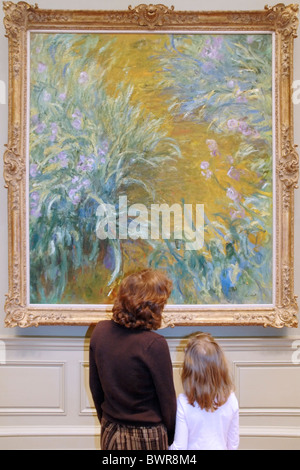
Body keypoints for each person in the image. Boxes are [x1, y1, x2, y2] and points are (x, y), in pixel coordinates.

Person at [89, 268, 177, 450]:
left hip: (110, 430)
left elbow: (95, 388)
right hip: (147, 435)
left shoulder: (100, 331)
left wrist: (108, 419)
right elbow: (167, 401)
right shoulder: (154, 344)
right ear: (152, 306)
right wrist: (170, 437)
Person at [169, 333, 239, 450]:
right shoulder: (231, 399)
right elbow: (233, 444)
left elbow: (179, 448)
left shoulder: (184, 402)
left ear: (189, 372)